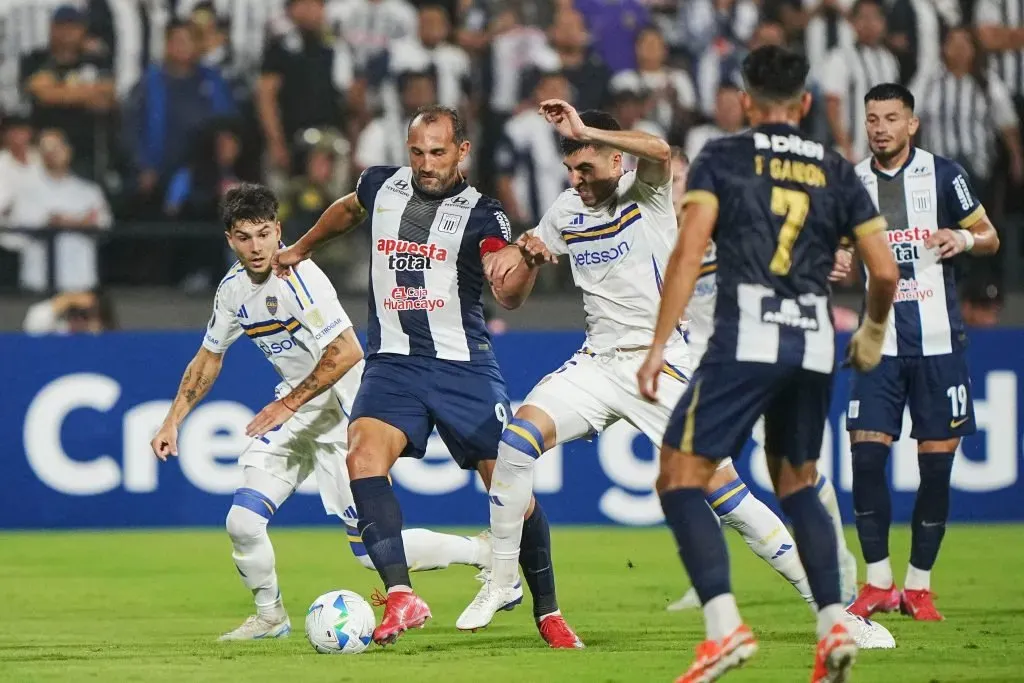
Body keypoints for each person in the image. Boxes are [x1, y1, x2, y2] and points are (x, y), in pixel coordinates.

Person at [636, 45, 899, 682]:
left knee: (677, 473)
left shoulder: (723, 156)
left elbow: (688, 251)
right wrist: (870, 330)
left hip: (746, 337)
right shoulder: (837, 168)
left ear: (747, 104)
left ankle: (724, 631)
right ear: (806, 103)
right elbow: (885, 269)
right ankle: (834, 620)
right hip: (812, 341)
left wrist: (656, 345)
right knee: (798, 480)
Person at [273, 106, 575, 648]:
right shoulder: (382, 185)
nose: (426, 163)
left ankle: (547, 611)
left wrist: (523, 265)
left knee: (509, 488)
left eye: (438, 152)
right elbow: (348, 209)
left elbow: (505, 291)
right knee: (362, 456)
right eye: (417, 152)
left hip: (463, 368)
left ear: (462, 150)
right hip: (392, 362)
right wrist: (300, 247)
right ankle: (401, 595)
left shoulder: (485, 215)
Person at [150, 184, 493, 641]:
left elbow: (347, 350)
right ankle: (271, 616)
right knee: (242, 521)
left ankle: (482, 552)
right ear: (230, 239)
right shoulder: (232, 290)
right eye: (244, 237)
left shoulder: (300, 279)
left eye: (264, 234)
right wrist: (174, 418)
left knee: (372, 555)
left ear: (279, 231)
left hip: (343, 415)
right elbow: (209, 356)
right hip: (294, 411)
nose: (256, 247)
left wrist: (286, 403)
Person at [846, 83, 1000, 622]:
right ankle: (878, 582)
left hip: (939, 346)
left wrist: (965, 241)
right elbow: (839, 246)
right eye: (872, 118)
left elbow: (990, 235)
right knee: (866, 459)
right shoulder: (853, 181)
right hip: (879, 346)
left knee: (935, 471)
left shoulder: (944, 175)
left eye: (891, 117)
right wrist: (837, 260)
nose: (881, 127)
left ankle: (919, 586)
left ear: (912, 123)